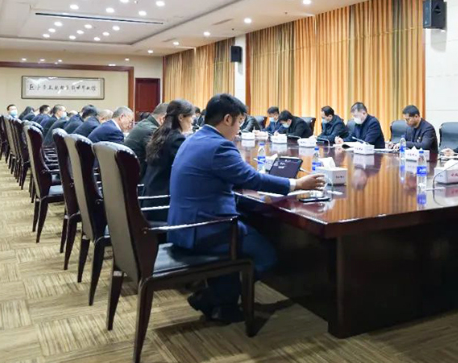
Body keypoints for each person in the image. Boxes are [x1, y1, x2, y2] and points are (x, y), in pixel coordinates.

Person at [168, 94, 326, 323]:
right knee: (266, 255)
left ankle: (223, 305)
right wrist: (297, 184)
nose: (239, 129)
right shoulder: (219, 146)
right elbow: (252, 179)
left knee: (246, 229)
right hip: (205, 228)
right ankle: (214, 298)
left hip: (182, 224)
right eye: (240, 122)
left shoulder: (194, 139)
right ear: (228, 119)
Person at [139, 100, 194, 218]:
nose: (192, 121)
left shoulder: (160, 134)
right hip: (162, 206)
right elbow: (190, 168)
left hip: (149, 200)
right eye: (191, 117)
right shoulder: (176, 140)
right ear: (181, 117)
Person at [124, 102, 169, 178]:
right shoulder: (152, 130)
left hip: (129, 174)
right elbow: (160, 159)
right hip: (138, 177)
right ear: (163, 119)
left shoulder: (143, 124)